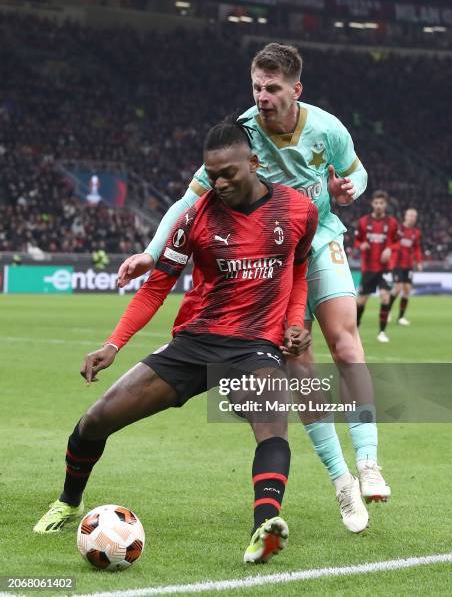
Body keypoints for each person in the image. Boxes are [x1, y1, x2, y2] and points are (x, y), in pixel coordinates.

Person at [117, 43, 391, 531]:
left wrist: (353, 190)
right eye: (256, 87)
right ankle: (341, 479)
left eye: (272, 88)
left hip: (320, 235)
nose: (262, 97)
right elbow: (189, 199)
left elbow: (357, 173)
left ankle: (368, 461)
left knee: (346, 343)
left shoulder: (328, 129)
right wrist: (151, 251)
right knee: (299, 365)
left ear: (295, 90)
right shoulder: (242, 133)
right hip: (269, 256)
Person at [33, 120, 318, 565]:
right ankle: (69, 502)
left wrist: (295, 319)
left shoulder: (298, 210)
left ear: (254, 163)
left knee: (271, 422)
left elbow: (298, 269)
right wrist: (114, 344)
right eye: (212, 174)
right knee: (97, 418)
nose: (219, 183)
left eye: (228, 173)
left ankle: (265, 526)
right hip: (195, 343)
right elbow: (155, 287)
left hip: (254, 346)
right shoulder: (195, 218)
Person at [355, 191, 398, 343]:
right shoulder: (363, 222)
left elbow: (397, 242)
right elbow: (357, 241)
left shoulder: (392, 223)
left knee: (385, 298)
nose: (379, 206)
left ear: (385, 205)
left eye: (382, 203)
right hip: (368, 268)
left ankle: (381, 332)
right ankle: (356, 326)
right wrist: (362, 245)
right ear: (372, 204)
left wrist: (389, 249)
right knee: (361, 301)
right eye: (376, 203)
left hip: (385, 268)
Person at [388, 208, 422, 325]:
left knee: (407, 290)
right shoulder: (398, 229)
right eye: (411, 215)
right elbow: (390, 242)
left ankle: (401, 317)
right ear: (405, 216)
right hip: (397, 264)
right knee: (397, 288)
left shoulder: (416, 233)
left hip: (408, 265)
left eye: (414, 216)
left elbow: (416, 248)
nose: (413, 218)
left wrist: (418, 262)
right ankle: (387, 311)